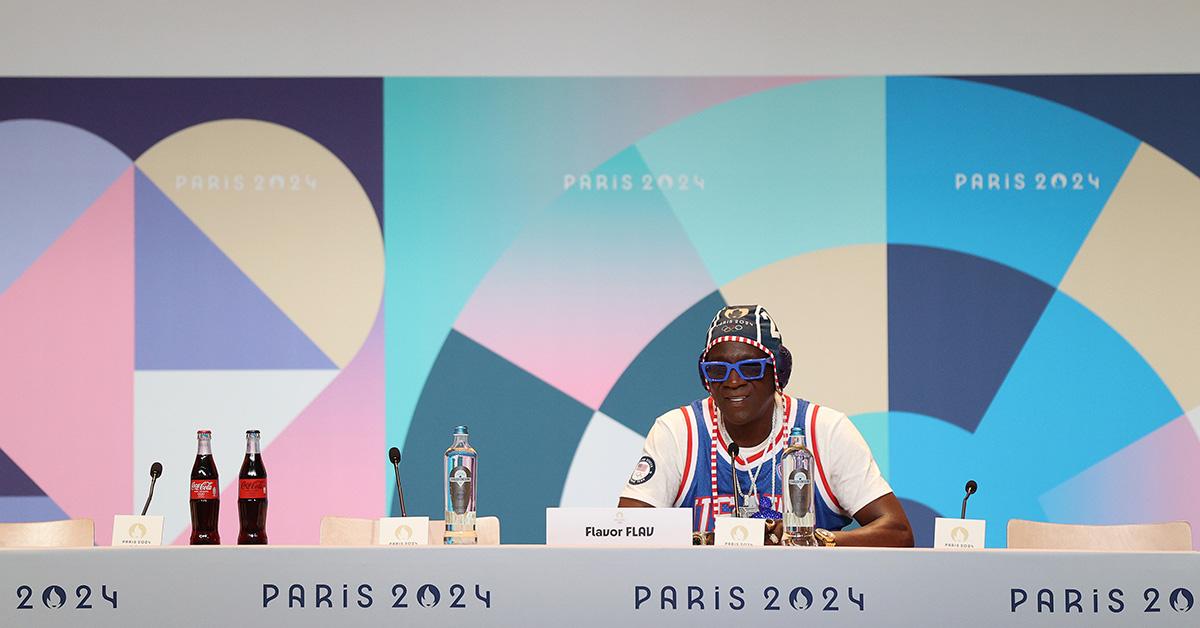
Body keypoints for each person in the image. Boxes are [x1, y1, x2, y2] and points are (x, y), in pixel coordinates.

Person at [619, 304, 913, 547]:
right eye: (718, 370)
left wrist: (812, 540)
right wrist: (707, 541)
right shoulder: (678, 431)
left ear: (778, 372)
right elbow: (627, 532)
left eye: (749, 367)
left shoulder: (824, 430)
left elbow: (898, 532)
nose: (733, 382)